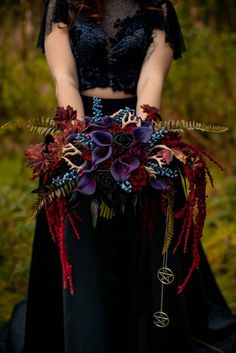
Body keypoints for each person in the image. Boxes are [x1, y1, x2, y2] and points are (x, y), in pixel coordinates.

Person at [11, 0, 235, 352]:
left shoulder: (158, 7)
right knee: (80, 236)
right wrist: (79, 139)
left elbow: (152, 78)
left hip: (139, 129)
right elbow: (64, 76)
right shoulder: (63, 4)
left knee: (147, 234)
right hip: (78, 127)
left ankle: (149, 329)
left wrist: (138, 141)